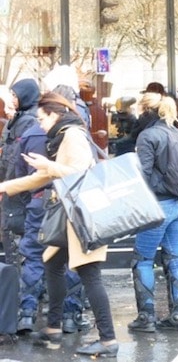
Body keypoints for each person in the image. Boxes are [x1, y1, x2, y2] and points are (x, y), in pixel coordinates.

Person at [0, 92, 118, 357]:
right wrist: (6, 187)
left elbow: (79, 173)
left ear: (54, 115)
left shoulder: (73, 135)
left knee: (90, 276)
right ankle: (53, 327)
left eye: (42, 118)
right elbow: (43, 176)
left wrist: (49, 165)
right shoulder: (64, 135)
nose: (40, 124)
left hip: (84, 217)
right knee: (52, 265)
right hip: (71, 217)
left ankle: (109, 340)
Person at [128, 93, 178, 333]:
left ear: (145, 110)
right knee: (175, 258)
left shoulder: (147, 135)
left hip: (158, 205)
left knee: (143, 260)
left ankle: (146, 317)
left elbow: (144, 173)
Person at [0, 79, 40, 266]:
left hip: (18, 194)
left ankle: (22, 291)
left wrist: (7, 185)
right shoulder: (16, 121)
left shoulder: (29, 122)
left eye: (15, 96)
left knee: (19, 249)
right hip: (12, 192)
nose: (12, 102)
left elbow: (17, 160)